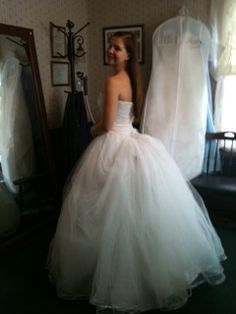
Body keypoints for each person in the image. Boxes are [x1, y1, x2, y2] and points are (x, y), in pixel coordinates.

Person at [46, 32, 226, 313]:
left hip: (114, 142)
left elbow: (105, 126)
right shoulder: (132, 80)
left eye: (117, 48)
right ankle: (146, 268)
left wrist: (88, 131)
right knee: (137, 211)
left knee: (103, 209)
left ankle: (106, 271)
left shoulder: (111, 81)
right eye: (110, 46)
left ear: (128, 55)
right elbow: (128, 118)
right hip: (132, 139)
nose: (111, 51)